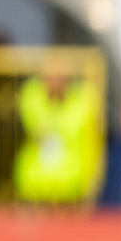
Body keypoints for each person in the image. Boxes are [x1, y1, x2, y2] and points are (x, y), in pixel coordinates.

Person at [13, 67, 101, 205]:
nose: (55, 83)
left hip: (70, 190)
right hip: (35, 188)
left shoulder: (81, 104)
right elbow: (34, 121)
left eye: (60, 78)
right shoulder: (33, 99)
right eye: (49, 78)